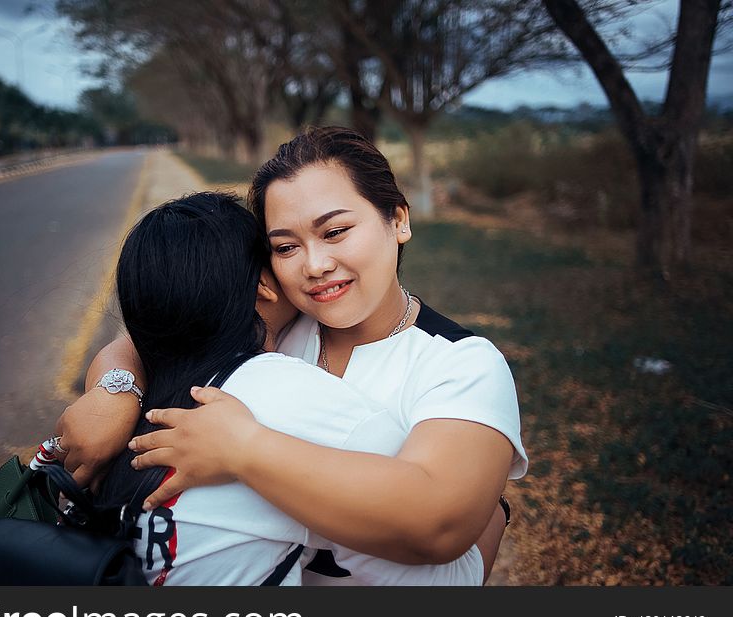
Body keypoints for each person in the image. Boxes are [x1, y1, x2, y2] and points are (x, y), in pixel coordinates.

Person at [58, 127, 527, 584]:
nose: (315, 265)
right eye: (285, 246)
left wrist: (244, 449)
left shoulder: (461, 364)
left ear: (398, 220)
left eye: (336, 231)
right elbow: (153, 339)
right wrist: (114, 392)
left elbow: (439, 526)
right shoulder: (275, 324)